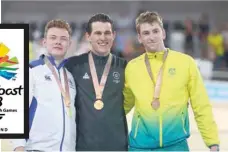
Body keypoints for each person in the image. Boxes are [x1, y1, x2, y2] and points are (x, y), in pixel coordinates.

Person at [123, 11, 220, 151]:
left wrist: (212, 142)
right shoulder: (132, 68)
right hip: (140, 146)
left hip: (176, 146)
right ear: (139, 38)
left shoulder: (185, 63)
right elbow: (124, 105)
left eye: (155, 31)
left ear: (163, 33)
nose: (151, 37)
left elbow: (201, 105)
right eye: (146, 33)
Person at [11, 19, 77, 151]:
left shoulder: (70, 77)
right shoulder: (31, 70)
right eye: (53, 37)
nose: (58, 41)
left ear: (69, 44)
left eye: (63, 38)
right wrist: (18, 147)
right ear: (44, 42)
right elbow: (17, 112)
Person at [65, 13, 128, 151]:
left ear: (114, 35)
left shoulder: (125, 67)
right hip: (83, 147)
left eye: (107, 33)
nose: (103, 38)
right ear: (88, 36)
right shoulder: (73, 66)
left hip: (117, 146)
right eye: (98, 33)